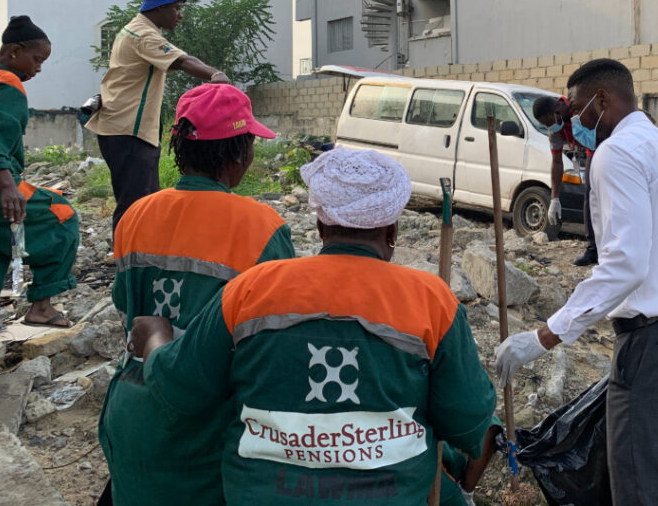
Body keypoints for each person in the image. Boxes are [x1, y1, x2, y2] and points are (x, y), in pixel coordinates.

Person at [129, 147, 497, 505]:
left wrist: (157, 338)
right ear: (392, 227)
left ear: (321, 223)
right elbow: (466, 422)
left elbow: (180, 386)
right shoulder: (431, 300)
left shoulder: (250, 290)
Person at [495, 59, 658, 506]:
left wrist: (544, 336)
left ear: (602, 100)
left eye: (577, 109)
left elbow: (625, 264)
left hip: (655, 339)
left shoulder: (617, 153)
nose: (573, 121)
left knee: (642, 482)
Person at [98, 84, 295, 506]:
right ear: (240, 154)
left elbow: (123, 304)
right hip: (205, 431)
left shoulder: (136, 214)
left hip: (132, 413)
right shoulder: (261, 226)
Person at [85, 0, 232, 232]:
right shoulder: (144, 35)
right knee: (135, 202)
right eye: (176, 8)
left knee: (146, 198)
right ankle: (126, 258)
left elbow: (179, 59)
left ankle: (141, 254)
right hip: (129, 129)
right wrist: (215, 75)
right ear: (160, 7)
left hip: (124, 127)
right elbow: (184, 61)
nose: (180, 15)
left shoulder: (135, 30)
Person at [0, 16, 78, 327]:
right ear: (15, 51)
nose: (39, 68)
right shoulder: (7, 82)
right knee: (62, 215)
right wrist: (6, 185)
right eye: (37, 59)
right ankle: (42, 306)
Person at [533, 95, 597, 266]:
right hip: (589, 151)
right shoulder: (555, 130)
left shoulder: (579, 105)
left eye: (550, 123)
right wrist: (554, 198)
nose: (550, 128)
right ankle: (593, 249)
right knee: (589, 197)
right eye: (546, 126)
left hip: (602, 143)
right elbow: (557, 162)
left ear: (557, 111)